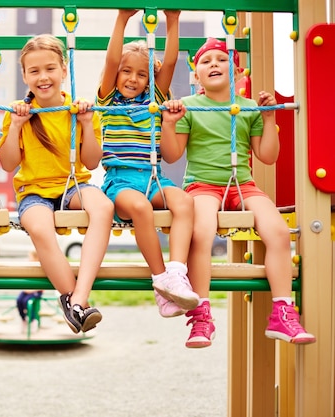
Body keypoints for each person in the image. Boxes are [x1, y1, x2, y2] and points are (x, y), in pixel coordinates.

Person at [160, 37, 316, 347]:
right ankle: (201, 316)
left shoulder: (247, 108)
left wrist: (269, 118)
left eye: (221, 59)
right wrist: (169, 122)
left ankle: (282, 312)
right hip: (202, 185)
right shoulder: (189, 107)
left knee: (279, 233)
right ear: (196, 76)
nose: (214, 64)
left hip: (242, 184)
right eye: (206, 62)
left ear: (237, 72)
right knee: (200, 233)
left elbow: (267, 156)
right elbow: (172, 154)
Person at [0, 34, 114, 334]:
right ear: (24, 75)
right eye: (34, 71)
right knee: (39, 226)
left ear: (64, 70)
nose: (43, 77)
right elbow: (8, 164)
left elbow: (91, 162)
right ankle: (75, 304)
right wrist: (17, 128)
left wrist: (88, 124)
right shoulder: (18, 112)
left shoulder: (79, 111)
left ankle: (79, 297)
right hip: (34, 192)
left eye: (50, 68)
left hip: (73, 186)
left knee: (103, 208)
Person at [97, 9, 198, 318]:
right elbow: (111, 61)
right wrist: (122, 19)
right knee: (140, 208)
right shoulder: (108, 100)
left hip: (154, 178)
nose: (133, 78)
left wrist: (173, 19)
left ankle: (177, 274)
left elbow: (169, 62)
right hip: (121, 182)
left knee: (183, 201)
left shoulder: (153, 99)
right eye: (127, 72)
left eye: (141, 74)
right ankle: (160, 279)